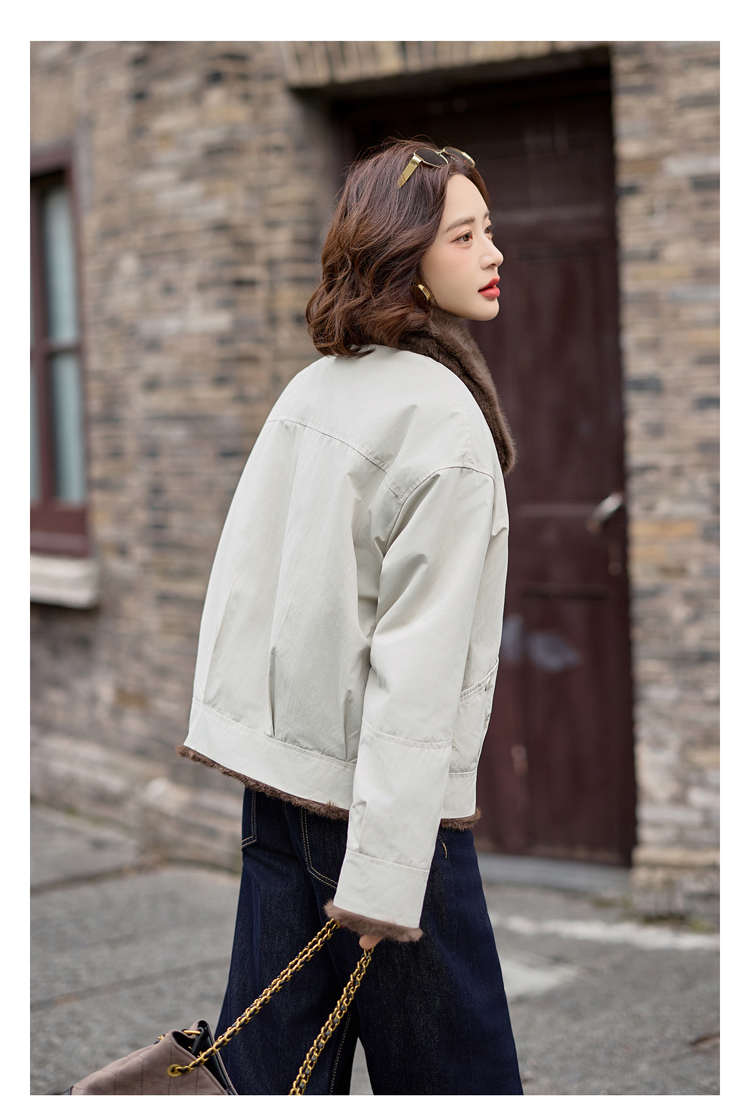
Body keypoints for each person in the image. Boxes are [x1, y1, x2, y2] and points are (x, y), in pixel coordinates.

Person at [176, 137, 523, 1094]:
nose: (494, 253)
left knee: (273, 1079)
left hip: (280, 789)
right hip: (385, 814)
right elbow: (417, 666)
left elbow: (245, 592)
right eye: (464, 236)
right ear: (403, 254)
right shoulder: (443, 423)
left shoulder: (313, 388)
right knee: (460, 1086)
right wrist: (384, 875)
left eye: (488, 230)